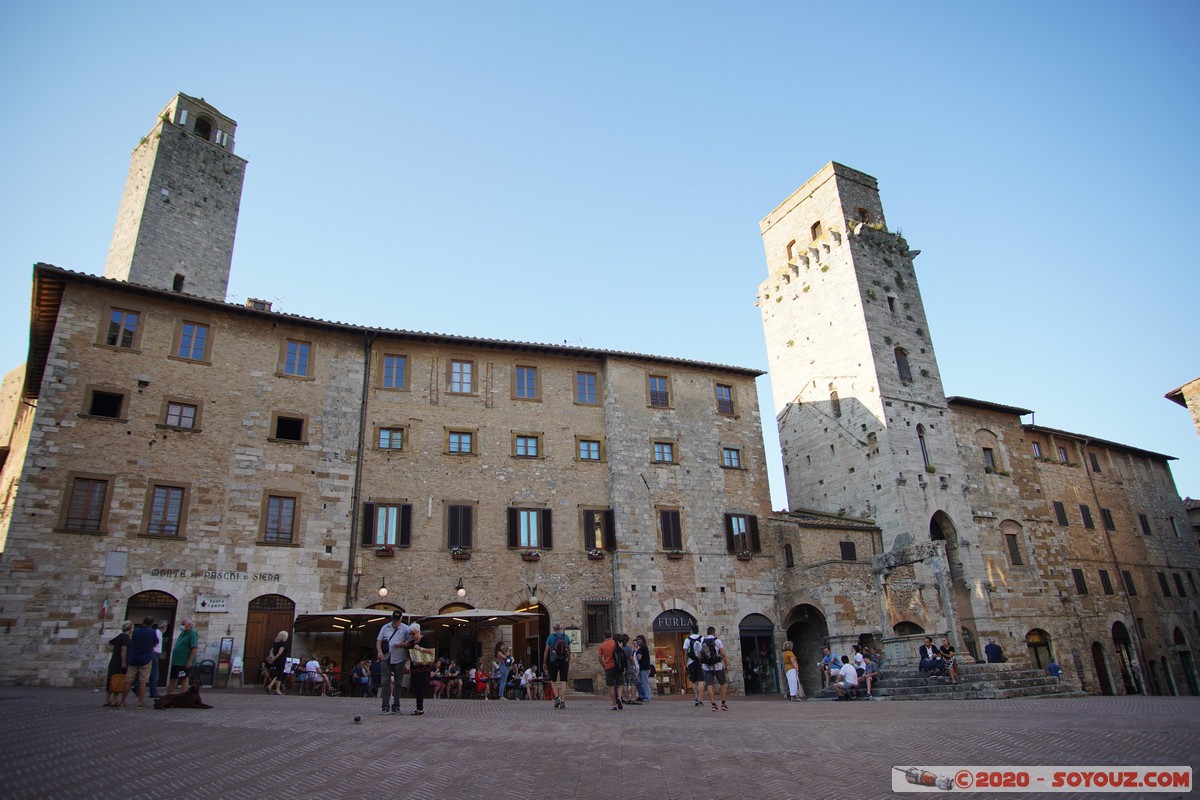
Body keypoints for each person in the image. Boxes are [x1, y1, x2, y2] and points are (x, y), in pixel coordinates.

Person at [377, 610, 412, 713]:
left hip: (399, 658)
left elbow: (409, 642)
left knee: (398, 683)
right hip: (386, 657)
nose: (395, 622)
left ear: (401, 619)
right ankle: (385, 706)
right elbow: (379, 641)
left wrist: (402, 644)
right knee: (385, 682)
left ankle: (396, 706)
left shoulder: (406, 628)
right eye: (394, 620)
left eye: (397, 620)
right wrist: (379, 652)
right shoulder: (385, 627)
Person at [122, 617, 159, 708]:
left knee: (128, 681)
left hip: (134, 658)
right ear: (151, 624)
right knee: (143, 681)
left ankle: (122, 701)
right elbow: (155, 643)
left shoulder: (136, 631)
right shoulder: (152, 632)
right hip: (146, 658)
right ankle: (140, 702)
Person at [697, 626, 729, 711]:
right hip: (718, 666)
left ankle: (714, 705)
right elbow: (723, 654)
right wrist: (726, 665)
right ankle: (723, 703)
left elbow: (699, 656)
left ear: (707, 633)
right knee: (723, 683)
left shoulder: (702, 642)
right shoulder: (717, 641)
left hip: (707, 667)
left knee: (709, 685)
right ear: (714, 633)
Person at [166, 617, 199, 695]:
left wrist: (189, 661)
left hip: (183, 662)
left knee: (184, 678)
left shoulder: (192, 633)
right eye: (181, 624)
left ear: (190, 625)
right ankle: (168, 696)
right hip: (176, 661)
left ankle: (183, 698)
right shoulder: (183, 633)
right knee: (173, 678)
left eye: (183, 624)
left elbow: (194, 647)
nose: (182, 626)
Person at [542, 621, 571, 709]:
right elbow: (570, 652)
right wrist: (568, 662)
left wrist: (544, 662)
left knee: (553, 680)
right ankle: (563, 701)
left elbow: (546, 650)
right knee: (563, 681)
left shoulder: (551, 637)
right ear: (561, 628)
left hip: (554, 661)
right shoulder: (565, 637)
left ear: (554, 629)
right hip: (564, 661)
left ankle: (557, 697)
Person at [104, 620, 132, 707]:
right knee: (119, 679)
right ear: (130, 628)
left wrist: (113, 650)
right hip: (120, 661)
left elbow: (108, 643)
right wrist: (123, 661)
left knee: (111, 678)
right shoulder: (126, 637)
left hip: (114, 660)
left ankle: (107, 699)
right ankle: (115, 699)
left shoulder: (119, 636)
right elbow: (124, 649)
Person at [407, 622, 433, 715]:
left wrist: (420, 648)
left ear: (418, 632)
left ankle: (420, 708)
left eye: (413, 633)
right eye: (411, 633)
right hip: (414, 668)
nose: (412, 635)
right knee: (416, 688)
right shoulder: (412, 642)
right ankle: (418, 707)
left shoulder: (423, 640)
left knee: (420, 688)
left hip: (422, 669)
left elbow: (430, 651)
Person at [597, 631, 623, 711]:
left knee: (611, 686)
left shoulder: (602, 645)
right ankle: (619, 697)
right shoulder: (616, 643)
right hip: (618, 666)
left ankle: (614, 704)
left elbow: (599, 657)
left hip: (608, 667)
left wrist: (604, 665)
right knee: (620, 684)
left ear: (604, 636)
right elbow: (621, 653)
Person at [684, 623, 704, 707]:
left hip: (691, 662)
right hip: (700, 662)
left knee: (693, 681)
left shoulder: (687, 640)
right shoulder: (702, 638)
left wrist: (685, 664)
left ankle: (696, 697)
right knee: (701, 681)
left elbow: (685, 653)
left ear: (691, 630)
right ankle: (700, 699)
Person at [265, 631, 289, 695]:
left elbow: (271, 652)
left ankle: (269, 686)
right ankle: (277, 690)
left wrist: (273, 658)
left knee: (278, 674)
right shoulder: (282, 644)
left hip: (276, 661)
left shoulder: (275, 644)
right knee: (280, 674)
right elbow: (280, 653)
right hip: (281, 660)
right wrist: (275, 658)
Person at [634, 634, 652, 703]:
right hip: (643, 668)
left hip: (644, 668)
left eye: (639, 639)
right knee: (641, 682)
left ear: (642, 640)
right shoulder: (641, 647)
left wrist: (637, 653)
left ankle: (647, 698)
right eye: (637, 639)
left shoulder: (643, 647)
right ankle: (643, 696)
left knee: (644, 683)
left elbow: (639, 657)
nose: (638, 641)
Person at [621, 634, 639, 704]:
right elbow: (631, 658)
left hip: (622, 669)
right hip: (629, 668)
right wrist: (634, 665)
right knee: (633, 683)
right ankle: (633, 698)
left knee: (625, 684)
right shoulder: (628, 648)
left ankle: (627, 698)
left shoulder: (620, 648)